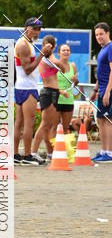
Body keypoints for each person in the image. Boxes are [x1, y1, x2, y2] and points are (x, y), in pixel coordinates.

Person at [13, 17, 53, 165]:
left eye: (39, 29)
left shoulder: (26, 42)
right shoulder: (23, 44)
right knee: (28, 123)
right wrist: (42, 54)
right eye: (35, 29)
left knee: (20, 122)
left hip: (21, 86)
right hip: (27, 87)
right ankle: (28, 155)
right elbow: (28, 69)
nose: (38, 32)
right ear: (27, 28)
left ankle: (16, 154)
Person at [31, 35, 61, 160]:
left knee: (50, 125)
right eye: (45, 46)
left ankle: (49, 153)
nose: (47, 48)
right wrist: (50, 52)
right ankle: (33, 152)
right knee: (44, 124)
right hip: (48, 92)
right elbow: (61, 66)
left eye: (50, 46)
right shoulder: (46, 60)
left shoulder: (49, 59)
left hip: (54, 92)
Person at [92, 22, 112, 162]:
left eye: (101, 34)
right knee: (100, 120)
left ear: (107, 33)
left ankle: (109, 153)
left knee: (107, 120)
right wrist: (96, 90)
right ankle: (103, 150)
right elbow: (101, 73)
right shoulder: (102, 50)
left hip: (109, 91)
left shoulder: (110, 47)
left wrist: (107, 92)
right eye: (96, 35)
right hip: (102, 90)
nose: (99, 37)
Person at [56, 43, 79, 133]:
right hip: (56, 99)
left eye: (68, 50)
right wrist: (61, 91)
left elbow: (75, 84)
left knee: (65, 128)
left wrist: (75, 80)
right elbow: (49, 83)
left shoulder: (72, 66)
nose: (66, 52)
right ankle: (53, 147)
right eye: (63, 50)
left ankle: (64, 147)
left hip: (68, 100)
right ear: (59, 53)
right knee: (54, 127)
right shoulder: (55, 65)